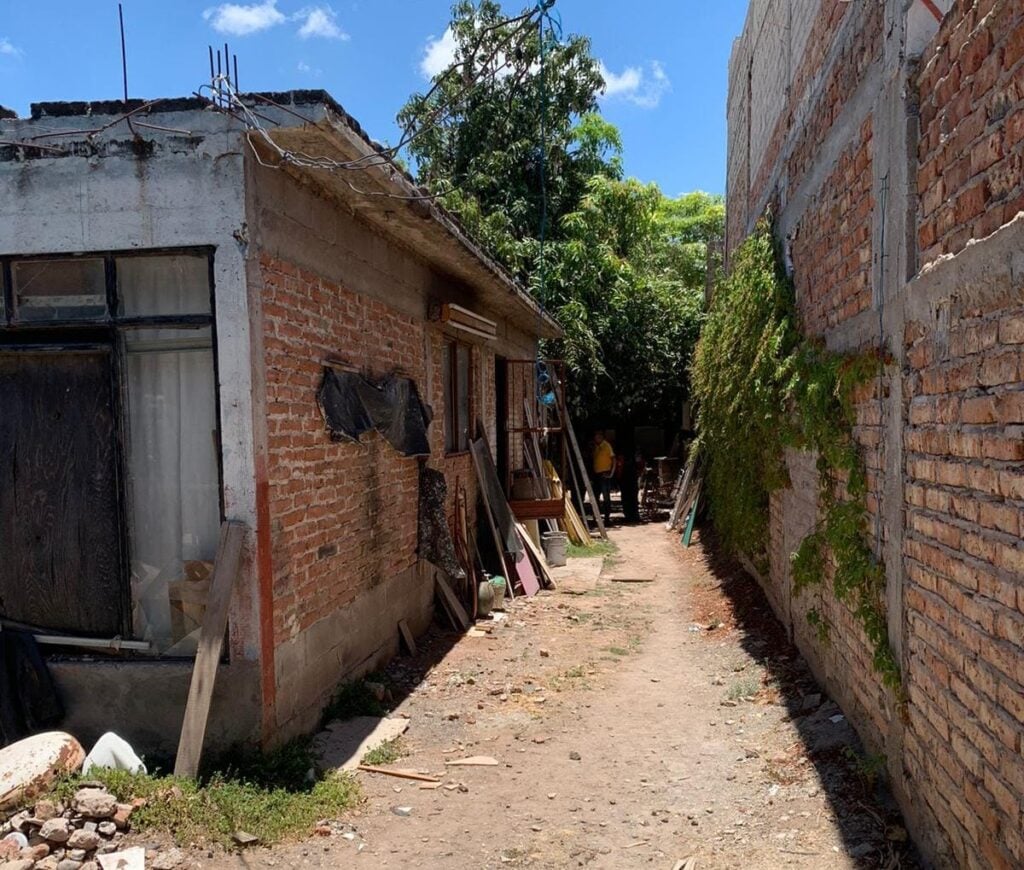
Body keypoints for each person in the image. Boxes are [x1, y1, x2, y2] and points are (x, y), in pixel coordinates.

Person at [592, 430, 614, 526]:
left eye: (598, 437)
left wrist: (611, 474)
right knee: (595, 497)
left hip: (605, 474)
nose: (596, 439)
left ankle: (607, 518)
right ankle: (595, 518)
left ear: (601, 437)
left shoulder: (607, 446)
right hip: (596, 474)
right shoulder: (596, 447)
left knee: (606, 498)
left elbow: (614, 460)